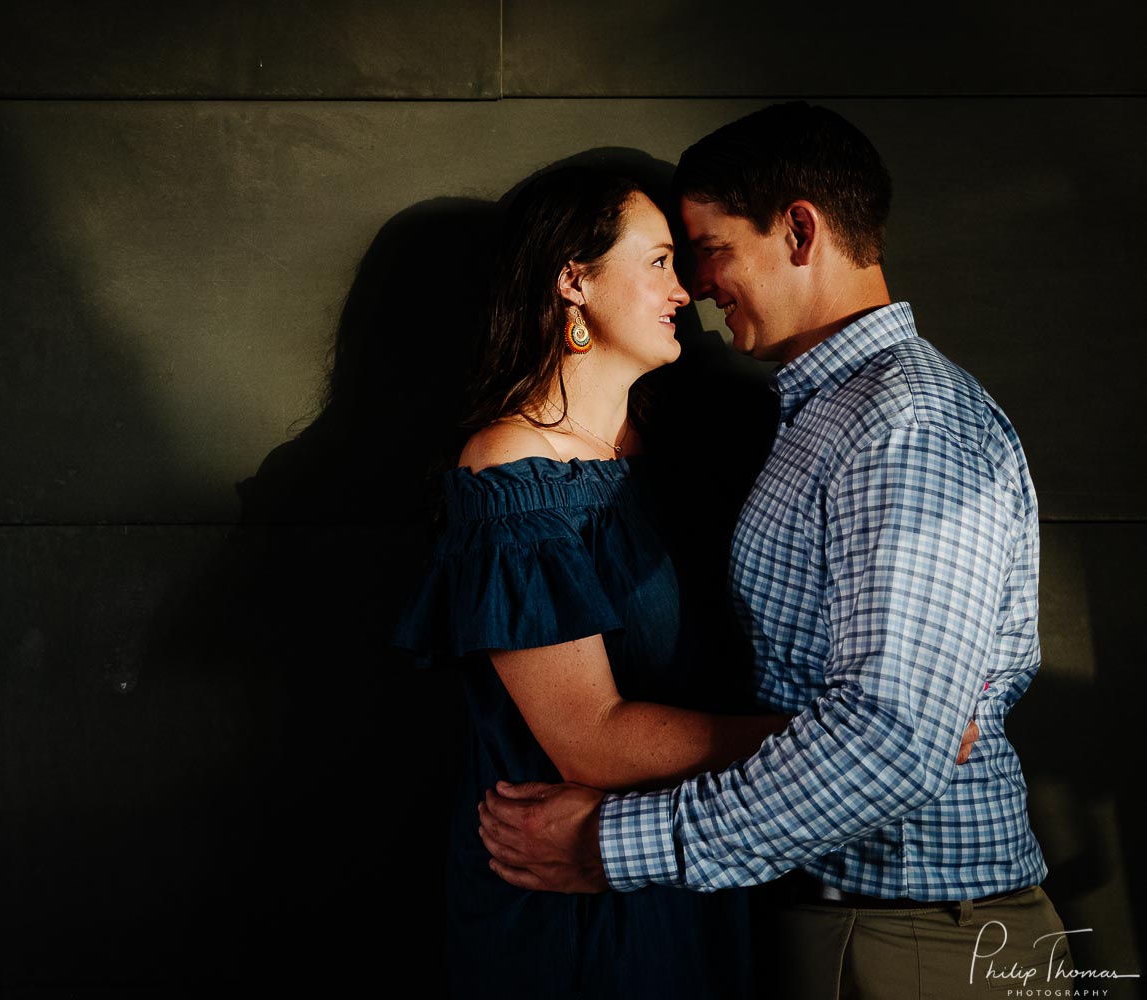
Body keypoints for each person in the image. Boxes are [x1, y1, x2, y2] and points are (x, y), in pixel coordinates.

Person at [477, 103, 1070, 998]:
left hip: (908, 933)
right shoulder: (821, 414)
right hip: (838, 920)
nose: (700, 284)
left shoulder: (903, 425)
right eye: (671, 258)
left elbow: (890, 747)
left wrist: (613, 844)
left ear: (798, 230)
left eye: (707, 248)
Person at [393, 164, 806, 997]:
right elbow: (589, 736)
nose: (685, 291)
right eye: (657, 262)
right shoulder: (510, 471)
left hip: (688, 866)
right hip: (573, 904)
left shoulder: (667, 455)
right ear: (572, 278)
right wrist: (833, 742)